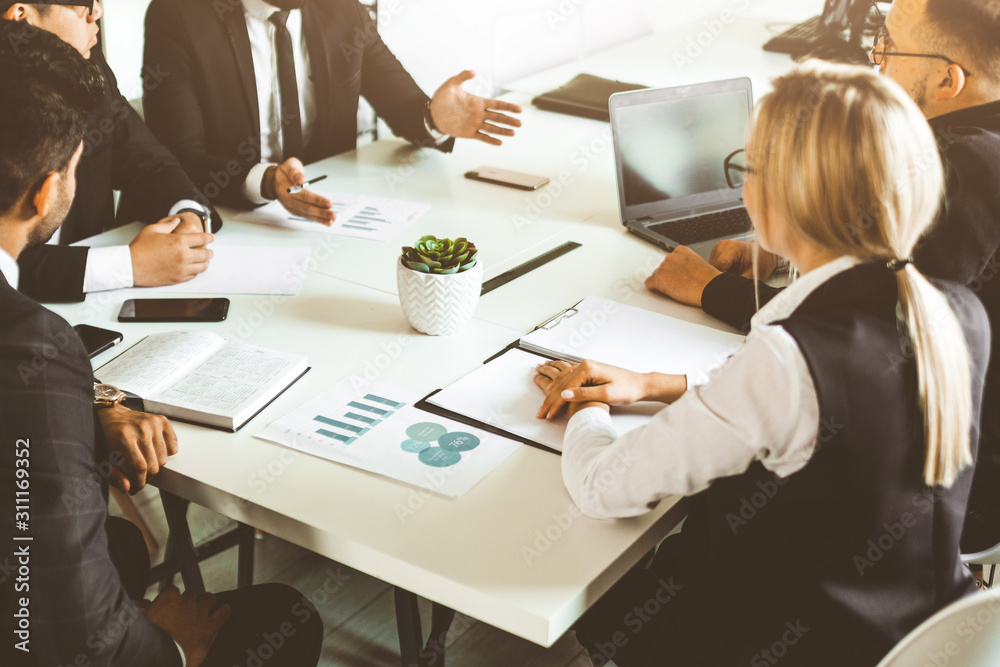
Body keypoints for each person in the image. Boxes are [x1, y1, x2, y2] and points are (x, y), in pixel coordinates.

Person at [534, 62, 988, 666]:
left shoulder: (788, 359)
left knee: (621, 603)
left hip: (787, 643)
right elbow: (836, 412)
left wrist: (587, 408)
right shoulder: (956, 310)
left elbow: (602, 489)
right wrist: (661, 386)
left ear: (778, 197)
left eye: (746, 167)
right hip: (925, 634)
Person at [0, 22, 323, 667]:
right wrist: (173, 643)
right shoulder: (34, 345)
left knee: (120, 545)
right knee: (289, 618)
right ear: (44, 191)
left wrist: (89, 406)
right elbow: (76, 632)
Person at [645, 0, 1000, 565]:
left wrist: (711, 288)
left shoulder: (970, 167)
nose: (875, 61)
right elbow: (883, 271)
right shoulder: (971, 138)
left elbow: (868, 329)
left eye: (888, 45)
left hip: (946, 482)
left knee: (706, 482)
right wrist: (794, 249)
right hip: (940, 438)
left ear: (946, 79)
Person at [142, 0, 523, 223]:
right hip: (225, 216)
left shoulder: (342, 11)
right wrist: (266, 181)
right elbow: (176, 154)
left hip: (323, 215)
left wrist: (434, 120)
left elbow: (402, 103)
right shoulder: (178, 14)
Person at [2, 1, 221, 304]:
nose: (97, 13)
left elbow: (142, 156)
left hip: (97, 309)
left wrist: (187, 213)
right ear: (21, 17)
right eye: (84, 5)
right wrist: (127, 266)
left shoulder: (87, 60)